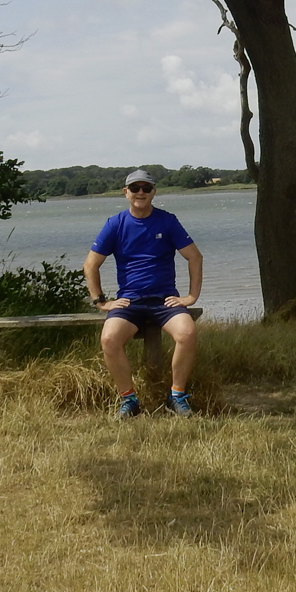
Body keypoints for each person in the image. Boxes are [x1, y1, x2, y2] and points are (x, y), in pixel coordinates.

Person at [83, 169, 203, 418]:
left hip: (164, 300)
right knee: (109, 340)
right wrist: (101, 301)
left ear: (153, 192)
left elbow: (195, 257)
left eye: (146, 188)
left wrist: (191, 297)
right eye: (135, 188)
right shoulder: (115, 224)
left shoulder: (167, 221)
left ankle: (177, 396)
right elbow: (90, 265)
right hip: (130, 301)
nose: (140, 193)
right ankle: (129, 400)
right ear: (125, 192)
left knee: (187, 333)